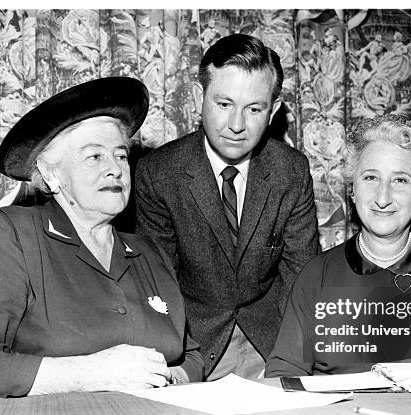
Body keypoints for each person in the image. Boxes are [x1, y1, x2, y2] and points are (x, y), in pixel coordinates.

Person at [0, 77, 203, 398]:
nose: (115, 169)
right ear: (52, 174)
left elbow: (190, 354)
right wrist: (88, 374)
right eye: (94, 156)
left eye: (121, 155)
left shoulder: (148, 252)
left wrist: (170, 378)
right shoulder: (12, 234)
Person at [135, 34, 320, 381]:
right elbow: (157, 285)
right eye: (224, 104)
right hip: (190, 345)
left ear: (273, 111)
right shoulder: (158, 173)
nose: (237, 125)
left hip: (271, 343)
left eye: (254, 109)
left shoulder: (291, 171)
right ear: (197, 98)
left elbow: (302, 277)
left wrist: (292, 359)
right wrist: (177, 365)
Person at [266, 114, 411, 377]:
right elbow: (285, 373)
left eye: (400, 180)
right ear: (353, 189)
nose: (382, 197)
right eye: (370, 178)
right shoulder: (316, 276)